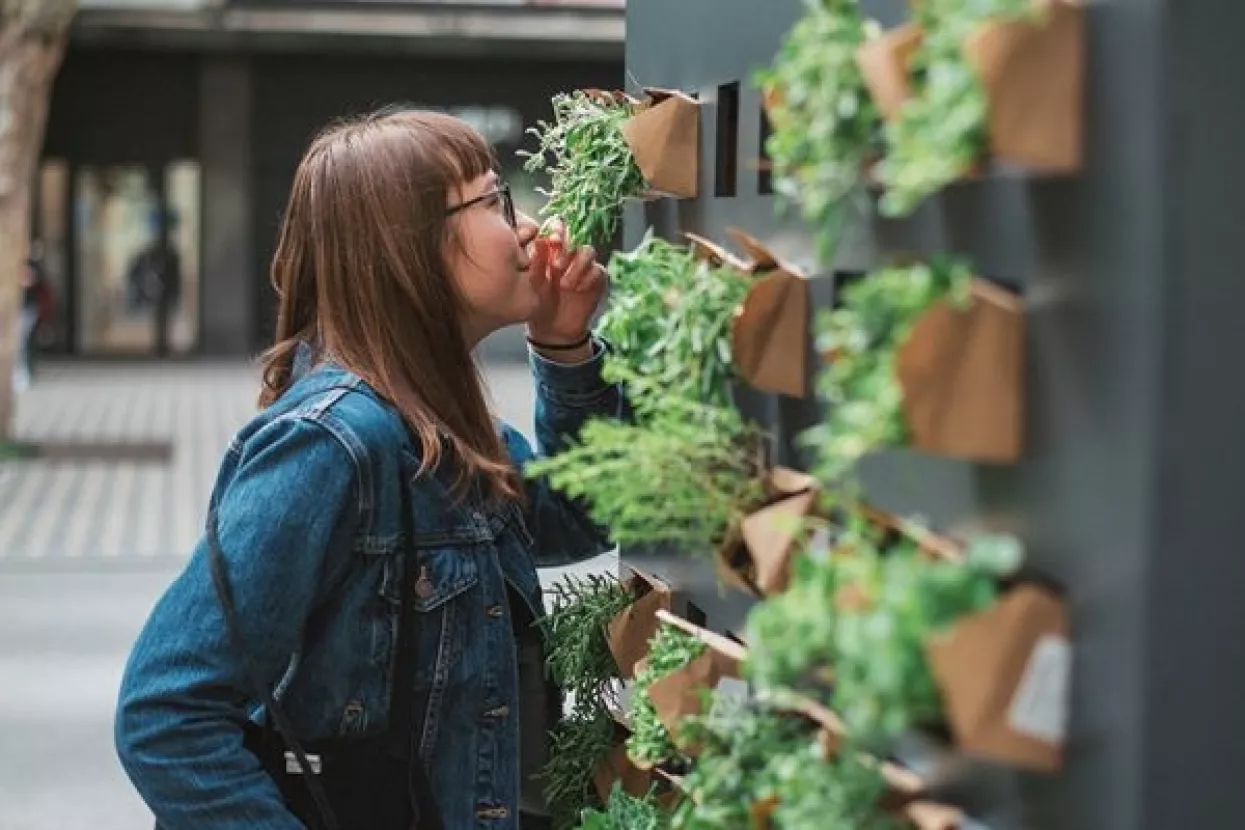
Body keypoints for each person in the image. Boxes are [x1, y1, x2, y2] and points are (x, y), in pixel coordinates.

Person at [114, 108, 625, 830]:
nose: (528, 228)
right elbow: (165, 716)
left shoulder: (440, 425)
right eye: (494, 200)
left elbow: (581, 517)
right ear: (409, 249)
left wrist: (564, 345)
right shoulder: (331, 444)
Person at [13, 250, 52, 393]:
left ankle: (24, 374)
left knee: (23, 343)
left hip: (28, 309)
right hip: (19, 309)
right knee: (20, 343)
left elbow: (37, 284)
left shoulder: (33, 264)